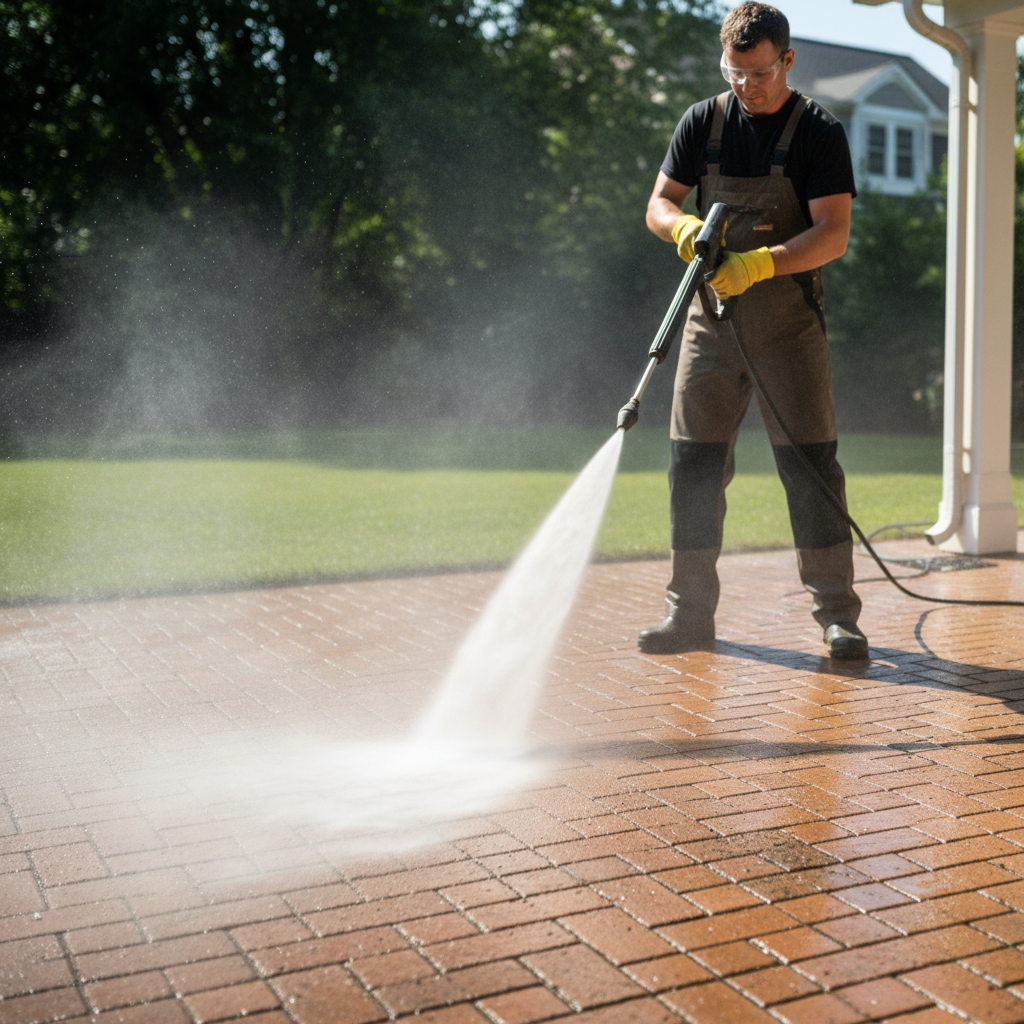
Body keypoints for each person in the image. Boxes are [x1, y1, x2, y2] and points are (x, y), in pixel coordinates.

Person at [640, 1, 868, 660]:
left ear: (787, 60)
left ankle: (837, 616)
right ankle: (689, 615)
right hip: (708, 325)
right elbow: (659, 202)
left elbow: (834, 233)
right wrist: (681, 228)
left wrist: (760, 264)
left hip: (789, 326)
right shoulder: (701, 121)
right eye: (736, 72)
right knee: (693, 466)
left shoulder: (819, 132)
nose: (747, 86)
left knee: (812, 467)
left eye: (760, 73)